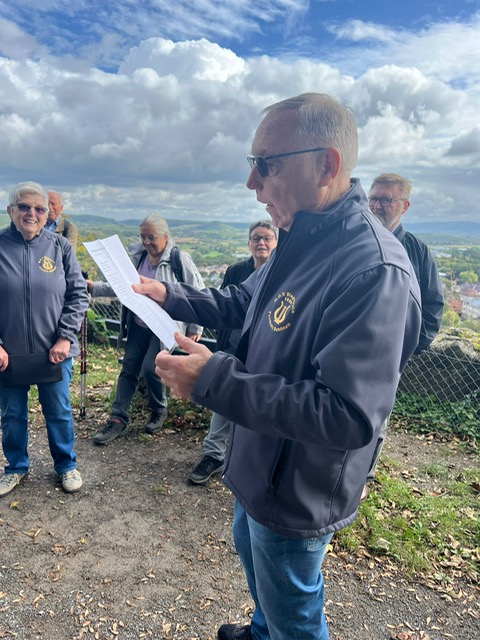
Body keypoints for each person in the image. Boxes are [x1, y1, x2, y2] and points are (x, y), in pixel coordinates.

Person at [133, 93, 422, 640]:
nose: (253, 184)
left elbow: (348, 416)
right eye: (252, 165)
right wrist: (167, 294)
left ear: (327, 165)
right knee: (259, 568)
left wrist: (213, 379)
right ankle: (263, 630)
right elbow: (244, 303)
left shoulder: (372, 271)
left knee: (295, 609)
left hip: (297, 488)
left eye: (266, 165)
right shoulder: (301, 239)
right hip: (259, 461)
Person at [0, 181, 88, 496]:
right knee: (11, 412)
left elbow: (78, 295)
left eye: (39, 208)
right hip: (8, 353)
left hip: (55, 350)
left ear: (47, 212)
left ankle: (66, 465)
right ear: (11, 210)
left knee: (59, 410)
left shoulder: (59, 247)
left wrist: (65, 338)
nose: (32, 213)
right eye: (24, 206)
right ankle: (15, 467)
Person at [89, 213, 204, 445]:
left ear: (165, 237)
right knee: (129, 368)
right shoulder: (138, 257)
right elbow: (121, 285)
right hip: (139, 324)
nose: (147, 242)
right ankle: (118, 419)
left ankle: (159, 409)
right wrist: (94, 288)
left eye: (151, 237)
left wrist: (195, 325)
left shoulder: (178, 259)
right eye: (143, 237)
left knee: (151, 369)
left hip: (164, 327)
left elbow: (197, 291)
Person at [364, 173, 444, 495]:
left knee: (375, 422)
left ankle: (362, 479)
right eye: (373, 198)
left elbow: (433, 309)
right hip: (347, 348)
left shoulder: (418, 253)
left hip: (387, 358)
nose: (377, 205)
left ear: (404, 206)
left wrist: (403, 349)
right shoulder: (356, 240)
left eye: (386, 199)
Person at [188, 220, 278, 485]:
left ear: (276, 241)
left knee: (256, 401)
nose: (261, 243)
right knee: (222, 397)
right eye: (255, 238)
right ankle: (213, 455)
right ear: (249, 243)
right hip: (233, 346)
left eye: (267, 238)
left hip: (264, 350)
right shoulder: (236, 270)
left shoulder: (284, 272)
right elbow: (224, 304)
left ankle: (251, 461)